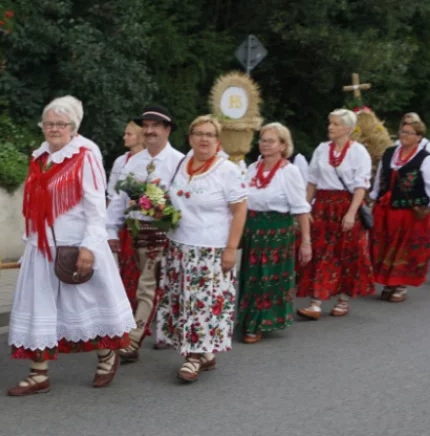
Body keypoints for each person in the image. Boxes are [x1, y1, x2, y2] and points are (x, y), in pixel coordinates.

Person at [8, 96, 135, 396]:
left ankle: (106, 355)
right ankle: (38, 373)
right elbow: (32, 205)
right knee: (38, 306)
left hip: (76, 246)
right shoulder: (39, 157)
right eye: (49, 124)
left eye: (60, 124)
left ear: (73, 127)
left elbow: (96, 208)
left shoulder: (85, 155)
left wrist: (90, 247)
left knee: (86, 306)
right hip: (42, 246)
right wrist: (29, 243)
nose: (53, 129)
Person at [157, 116, 248, 382]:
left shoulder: (227, 170)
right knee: (182, 303)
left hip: (211, 250)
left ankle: (193, 358)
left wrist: (232, 248)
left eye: (210, 134)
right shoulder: (180, 164)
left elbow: (240, 209)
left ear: (218, 141)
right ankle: (204, 354)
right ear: (190, 138)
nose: (204, 139)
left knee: (201, 305)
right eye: (198, 133)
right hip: (179, 247)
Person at [105, 105, 184, 363]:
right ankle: (185, 339)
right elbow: (119, 198)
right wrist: (111, 231)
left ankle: (134, 339)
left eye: (155, 126)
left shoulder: (179, 162)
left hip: (163, 234)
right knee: (142, 285)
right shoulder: (134, 162)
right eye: (146, 126)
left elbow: (179, 204)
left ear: (167, 130)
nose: (149, 131)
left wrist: (151, 202)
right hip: (135, 232)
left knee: (147, 286)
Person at [296, 109, 374, 319]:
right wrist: (306, 207)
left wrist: (351, 213)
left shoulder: (359, 152)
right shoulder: (322, 149)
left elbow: (360, 186)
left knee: (346, 252)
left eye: (336, 124)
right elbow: (312, 180)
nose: (330, 127)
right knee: (321, 251)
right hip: (323, 205)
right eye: (330, 123)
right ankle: (316, 302)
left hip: (346, 206)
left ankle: (343, 298)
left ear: (347, 129)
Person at [239, 123, 311, 343]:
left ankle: (261, 322)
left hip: (276, 232)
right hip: (253, 231)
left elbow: (300, 208)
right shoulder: (252, 168)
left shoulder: (289, 171)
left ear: (283, 145)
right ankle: (249, 318)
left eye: (270, 141)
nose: (265, 144)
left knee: (267, 278)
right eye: (262, 140)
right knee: (251, 277)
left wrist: (306, 242)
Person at [370, 117, 430, 302]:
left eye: (409, 133)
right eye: (403, 132)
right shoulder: (389, 153)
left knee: (404, 249)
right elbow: (380, 182)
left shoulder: (426, 159)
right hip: (386, 209)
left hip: (410, 213)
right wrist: (371, 199)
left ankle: (400, 285)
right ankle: (389, 282)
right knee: (385, 246)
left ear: (419, 137)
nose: (404, 136)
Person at [106, 121, 145, 201]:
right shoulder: (120, 161)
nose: (124, 137)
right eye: (125, 134)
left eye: (129, 134)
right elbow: (111, 192)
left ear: (140, 137)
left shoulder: (150, 161)